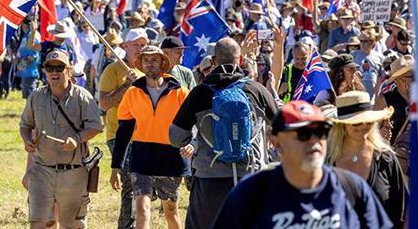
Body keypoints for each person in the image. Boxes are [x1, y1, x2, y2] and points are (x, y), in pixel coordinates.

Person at [211, 100, 392, 228]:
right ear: (276, 142)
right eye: (303, 134)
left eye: (321, 131)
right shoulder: (251, 194)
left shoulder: (351, 188)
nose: (314, 141)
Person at [169, 37, 280, 229]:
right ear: (241, 61)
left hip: (210, 182)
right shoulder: (256, 90)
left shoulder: (199, 93)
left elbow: (176, 137)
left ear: (213, 61)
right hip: (251, 178)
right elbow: (281, 126)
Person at [19, 50, 103, 229]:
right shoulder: (36, 96)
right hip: (42, 169)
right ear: (44, 71)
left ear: (69, 70)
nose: (54, 72)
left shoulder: (82, 96)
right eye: (50, 68)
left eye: (59, 67)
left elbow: (96, 126)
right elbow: (25, 124)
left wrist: (78, 138)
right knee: (38, 224)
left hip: (73, 171)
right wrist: (27, 140)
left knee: (72, 225)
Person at [110, 45, 190, 229]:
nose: (150, 64)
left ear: (163, 62)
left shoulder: (180, 93)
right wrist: (116, 166)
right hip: (142, 157)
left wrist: (191, 143)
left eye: (154, 59)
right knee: (142, 209)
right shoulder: (132, 93)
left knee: (171, 213)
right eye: (146, 60)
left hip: (171, 158)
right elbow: (123, 132)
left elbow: (192, 124)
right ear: (141, 64)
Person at [327, 92, 407, 227]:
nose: (363, 126)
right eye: (356, 122)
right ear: (342, 125)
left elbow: (400, 212)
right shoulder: (326, 163)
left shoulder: (386, 160)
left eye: (367, 121)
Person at [98, 27, 147, 229]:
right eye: (136, 44)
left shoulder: (151, 68)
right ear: (125, 46)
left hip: (146, 136)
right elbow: (104, 104)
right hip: (119, 136)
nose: (140, 48)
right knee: (131, 184)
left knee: (143, 187)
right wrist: (126, 85)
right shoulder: (113, 70)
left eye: (143, 45)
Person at [374, 55, 414, 174]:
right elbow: (372, 130)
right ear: (401, 80)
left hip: (417, 159)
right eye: (412, 76)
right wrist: (380, 134)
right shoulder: (385, 100)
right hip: (393, 161)